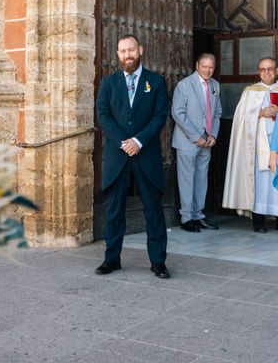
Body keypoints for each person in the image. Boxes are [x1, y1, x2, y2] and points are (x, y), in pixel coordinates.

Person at [95, 34, 170, 279]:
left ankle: (158, 261)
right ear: (118, 54)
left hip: (145, 154)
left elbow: (160, 116)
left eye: (131, 49)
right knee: (114, 210)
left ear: (140, 50)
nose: (127, 54)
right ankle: (111, 259)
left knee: (153, 211)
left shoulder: (156, 82)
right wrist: (123, 142)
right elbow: (103, 116)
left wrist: (138, 141)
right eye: (122, 51)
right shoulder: (108, 83)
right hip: (118, 157)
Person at [224, 57, 278, 232]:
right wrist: (260, 113)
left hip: (276, 144)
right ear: (258, 71)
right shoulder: (250, 92)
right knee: (260, 185)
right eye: (263, 69)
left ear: (276, 70)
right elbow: (241, 119)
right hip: (258, 147)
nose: (267, 72)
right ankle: (259, 222)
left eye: (270, 69)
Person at [171, 53, 222, 232]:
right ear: (197, 65)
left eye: (211, 67)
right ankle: (186, 218)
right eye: (204, 66)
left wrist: (213, 135)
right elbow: (178, 113)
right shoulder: (184, 85)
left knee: (201, 180)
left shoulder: (215, 85)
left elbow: (216, 113)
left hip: (207, 142)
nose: (207, 70)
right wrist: (196, 136)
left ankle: (199, 216)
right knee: (186, 180)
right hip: (188, 142)